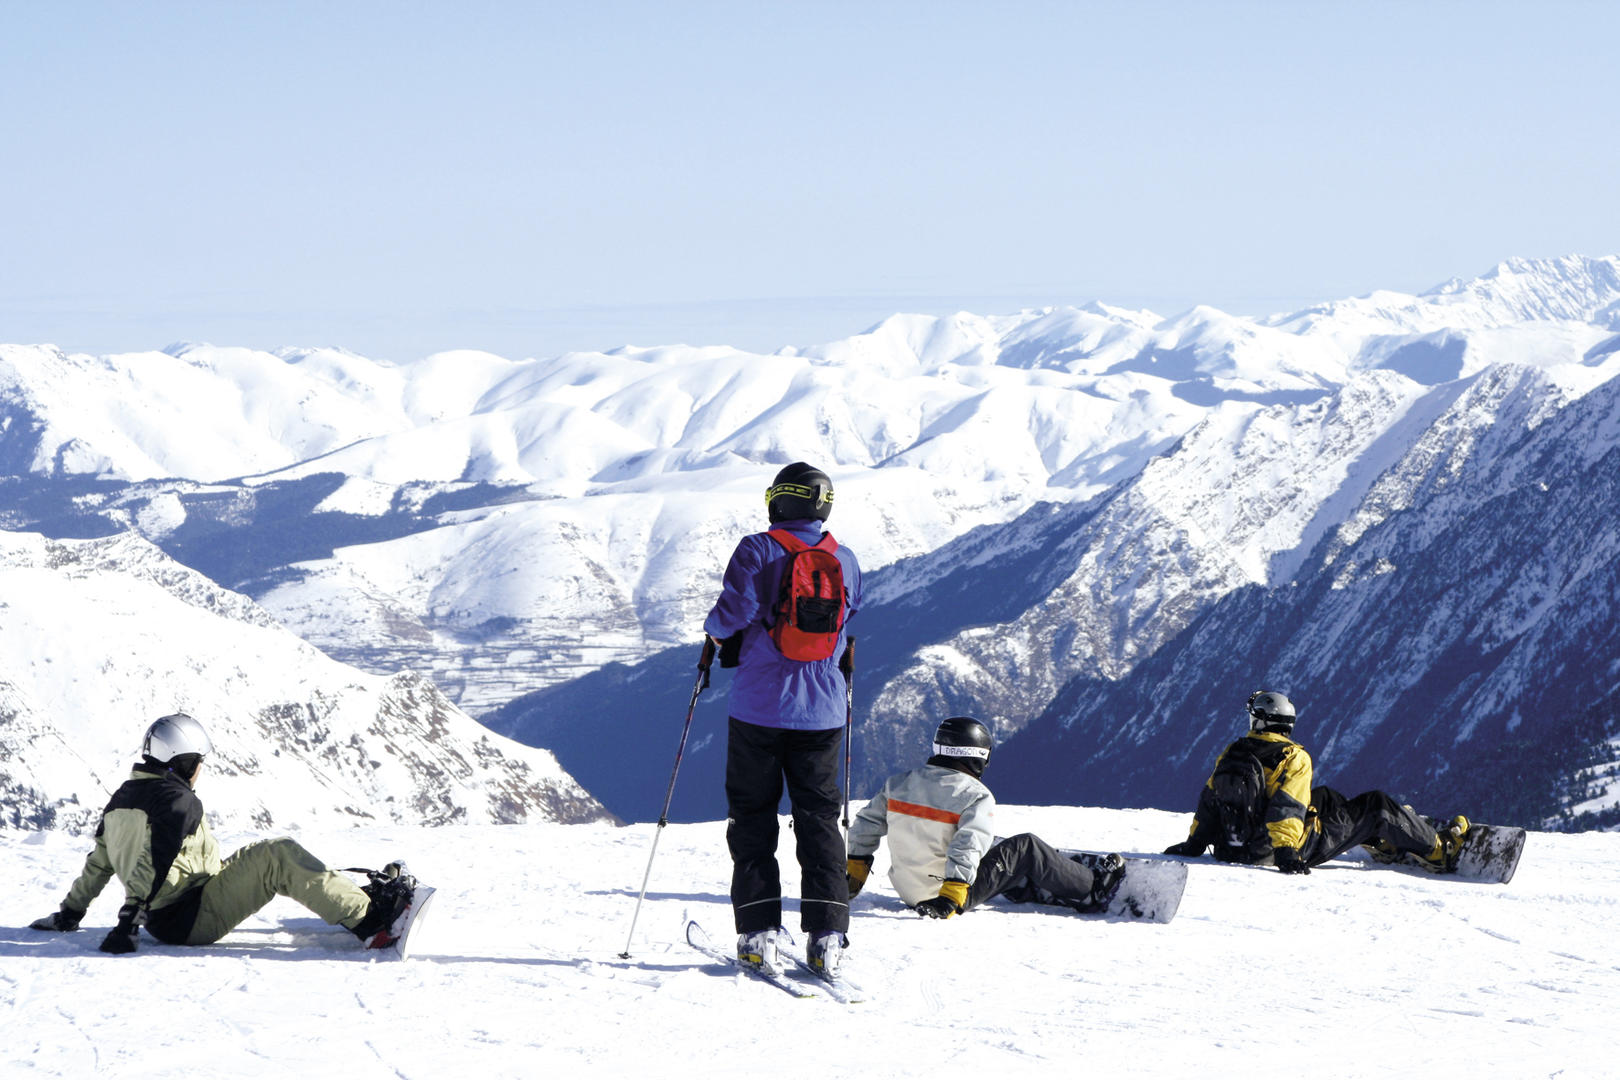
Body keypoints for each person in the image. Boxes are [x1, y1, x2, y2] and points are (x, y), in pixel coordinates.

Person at [28, 713, 416, 954]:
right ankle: (374, 923)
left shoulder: (123, 798)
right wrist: (129, 919)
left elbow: (99, 863)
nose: (200, 770)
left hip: (177, 907)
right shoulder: (178, 801)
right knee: (276, 855)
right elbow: (156, 860)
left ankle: (353, 900)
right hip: (188, 916)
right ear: (185, 762)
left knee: (261, 853)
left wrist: (69, 914)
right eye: (198, 762)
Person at [703, 461, 862, 978]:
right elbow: (849, 615)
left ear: (779, 501)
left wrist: (713, 636)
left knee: (753, 818)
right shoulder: (848, 560)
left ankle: (758, 932)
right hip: (824, 712)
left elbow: (731, 614)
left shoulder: (757, 549)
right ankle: (828, 938)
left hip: (759, 708)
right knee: (819, 819)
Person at [845, 716, 1125, 919]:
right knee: (1025, 846)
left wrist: (854, 871)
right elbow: (966, 846)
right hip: (944, 896)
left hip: (908, 891)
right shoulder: (975, 795)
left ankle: (1020, 884)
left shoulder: (899, 783)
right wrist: (951, 898)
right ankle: (1092, 887)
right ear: (979, 755)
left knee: (982, 844)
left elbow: (865, 826)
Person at [1164, 690, 1470, 874]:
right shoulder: (1293, 757)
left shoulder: (1234, 751)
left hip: (1231, 848)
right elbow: (1286, 808)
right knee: (1377, 805)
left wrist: (1195, 843)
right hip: (1273, 851)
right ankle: (1440, 850)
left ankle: (1382, 843)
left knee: (1324, 797)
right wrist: (1285, 853)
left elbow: (1210, 801)